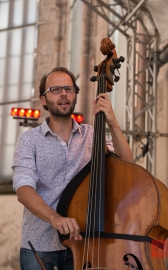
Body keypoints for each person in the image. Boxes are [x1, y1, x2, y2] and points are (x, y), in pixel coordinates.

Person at [12, 67, 133, 270]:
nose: (63, 94)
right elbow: (23, 190)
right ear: (43, 100)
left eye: (69, 89)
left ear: (75, 95)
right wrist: (55, 219)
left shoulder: (93, 135)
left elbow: (127, 168)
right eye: (56, 89)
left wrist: (113, 123)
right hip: (41, 246)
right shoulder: (29, 140)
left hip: (85, 243)